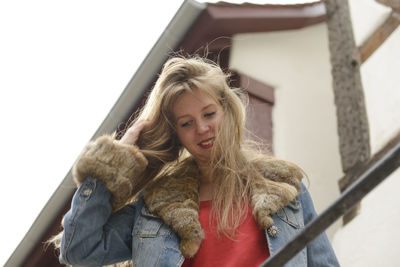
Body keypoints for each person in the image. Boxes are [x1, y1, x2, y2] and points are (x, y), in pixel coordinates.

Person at [52, 56, 339, 266]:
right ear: (176, 133)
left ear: (226, 110)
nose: (202, 129)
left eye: (209, 114)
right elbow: (78, 248)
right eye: (187, 123)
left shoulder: (285, 188)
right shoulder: (157, 205)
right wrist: (114, 161)